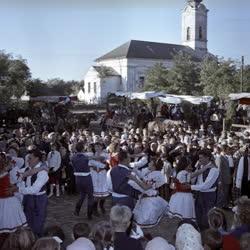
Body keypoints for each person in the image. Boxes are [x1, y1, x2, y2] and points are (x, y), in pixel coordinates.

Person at [184, 149, 220, 230]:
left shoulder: (214, 169)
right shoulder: (200, 167)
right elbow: (193, 179)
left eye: (201, 158)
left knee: (206, 219)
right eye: (199, 158)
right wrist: (196, 169)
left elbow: (206, 186)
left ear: (207, 158)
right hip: (199, 194)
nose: (199, 160)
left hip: (208, 196)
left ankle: (208, 237)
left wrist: (190, 187)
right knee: (198, 217)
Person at [17, 149, 49, 237]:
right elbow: (18, 175)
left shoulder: (43, 172)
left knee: (38, 224)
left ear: (37, 158)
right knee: (27, 222)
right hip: (28, 199)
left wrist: (19, 189)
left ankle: (38, 242)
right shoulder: (28, 168)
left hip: (39, 199)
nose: (27, 160)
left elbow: (35, 189)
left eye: (30, 158)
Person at [130, 158, 169, 227]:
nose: (148, 163)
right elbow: (144, 179)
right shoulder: (152, 172)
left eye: (150, 162)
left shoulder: (156, 174)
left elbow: (146, 186)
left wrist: (135, 179)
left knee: (146, 217)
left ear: (154, 166)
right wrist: (136, 172)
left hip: (149, 196)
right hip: (147, 194)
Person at [0, 153, 27, 238]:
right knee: (11, 221)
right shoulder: (5, 174)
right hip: (8, 201)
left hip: (4, 200)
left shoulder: (6, 173)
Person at [72, 141, 94, 219]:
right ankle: (89, 215)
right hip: (86, 178)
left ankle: (76, 211)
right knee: (90, 196)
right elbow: (92, 160)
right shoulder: (86, 157)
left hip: (78, 178)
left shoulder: (73, 157)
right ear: (83, 149)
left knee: (82, 195)